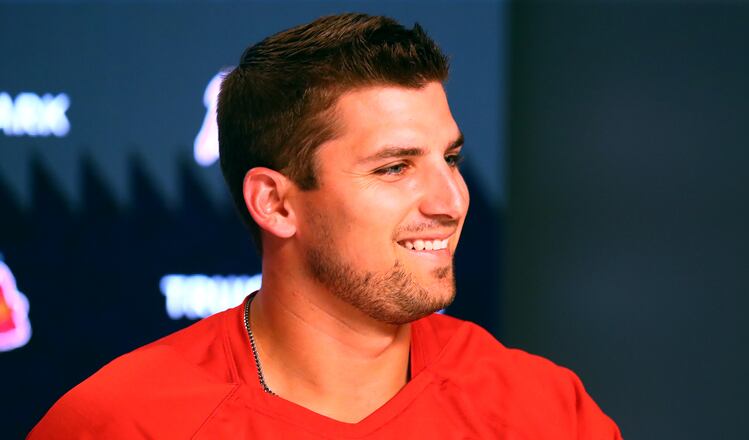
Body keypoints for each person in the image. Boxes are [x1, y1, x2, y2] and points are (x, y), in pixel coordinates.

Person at [30, 13, 621, 438]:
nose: (451, 200)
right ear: (275, 203)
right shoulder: (122, 422)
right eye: (394, 167)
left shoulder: (544, 411)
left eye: (451, 158)